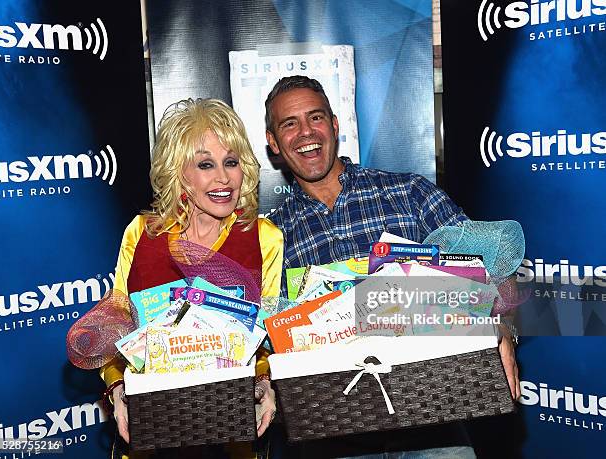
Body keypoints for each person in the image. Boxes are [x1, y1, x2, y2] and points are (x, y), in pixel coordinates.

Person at [264, 75, 520, 458]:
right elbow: (266, 336)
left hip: (435, 422)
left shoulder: (408, 193)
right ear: (273, 143)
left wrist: (501, 327)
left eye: (315, 118)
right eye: (290, 123)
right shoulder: (273, 236)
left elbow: (492, 268)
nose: (306, 132)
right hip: (332, 435)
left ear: (335, 125)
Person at [87, 98, 281, 458]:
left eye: (232, 162)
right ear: (179, 173)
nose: (223, 178)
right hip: (151, 428)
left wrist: (266, 382)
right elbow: (116, 324)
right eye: (205, 164)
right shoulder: (142, 233)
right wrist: (116, 389)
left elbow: (267, 332)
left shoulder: (263, 236)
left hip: (233, 431)